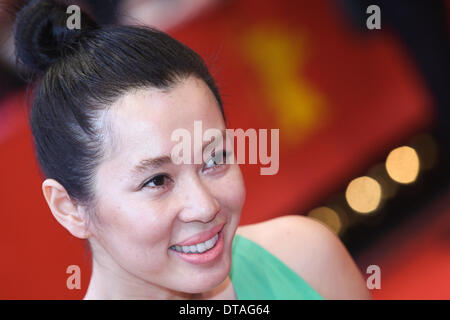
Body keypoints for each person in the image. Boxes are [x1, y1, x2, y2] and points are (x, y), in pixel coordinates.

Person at [13, 0, 371, 300]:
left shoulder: (305, 259)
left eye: (214, 159)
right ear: (70, 209)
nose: (205, 206)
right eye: (156, 181)